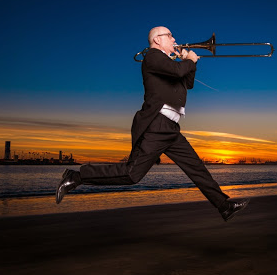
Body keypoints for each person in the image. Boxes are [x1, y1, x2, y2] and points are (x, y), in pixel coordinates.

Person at [56, 26, 249, 221]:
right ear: (157, 40)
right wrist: (189, 60)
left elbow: (187, 83)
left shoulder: (169, 62)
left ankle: (224, 206)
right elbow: (178, 71)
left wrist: (189, 63)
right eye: (170, 36)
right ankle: (76, 176)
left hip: (171, 129)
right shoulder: (152, 57)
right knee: (132, 175)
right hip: (156, 126)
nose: (175, 40)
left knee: (196, 167)